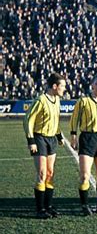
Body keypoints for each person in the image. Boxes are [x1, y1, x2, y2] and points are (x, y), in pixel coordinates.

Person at [23, 73, 66, 219]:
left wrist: (59, 136)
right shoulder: (40, 100)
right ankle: (40, 209)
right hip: (39, 138)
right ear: (54, 86)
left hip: (52, 139)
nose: (64, 89)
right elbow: (28, 119)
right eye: (62, 86)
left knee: (50, 173)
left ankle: (48, 206)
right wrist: (31, 141)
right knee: (41, 173)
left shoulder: (57, 99)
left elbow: (55, 120)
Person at [70, 74, 97, 215]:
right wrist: (73, 136)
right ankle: (85, 205)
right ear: (92, 85)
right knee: (85, 175)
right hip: (87, 138)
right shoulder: (83, 100)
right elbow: (74, 118)